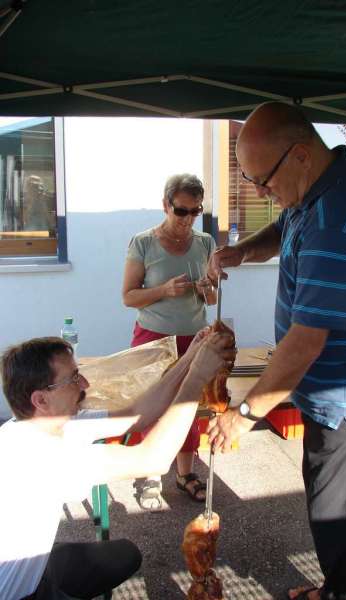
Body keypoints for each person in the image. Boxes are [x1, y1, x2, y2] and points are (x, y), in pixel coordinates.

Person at [207, 102, 346, 600]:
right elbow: (285, 228)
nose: (259, 191)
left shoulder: (337, 222)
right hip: (336, 397)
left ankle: (345, 591)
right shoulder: (321, 182)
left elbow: (304, 343)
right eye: (249, 179)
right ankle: (334, 587)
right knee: (331, 516)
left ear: (300, 154)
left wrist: (242, 414)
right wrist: (243, 250)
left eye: (263, 179)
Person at [0, 330, 234, 600]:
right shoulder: (41, 457)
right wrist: (197, 378)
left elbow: (136, 415)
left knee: (124, 555)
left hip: (36, 569)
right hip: (19, 595)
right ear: (40, 400)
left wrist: (190, 359)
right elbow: (153, 459)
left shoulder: (41, 423)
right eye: (73, 379)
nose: (85, 383)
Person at [122, 173, 217, 508]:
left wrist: (207, 289)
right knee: (153, 405)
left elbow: (213, 299)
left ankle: (185, 474)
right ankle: (149, 476)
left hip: (193, 336)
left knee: (188, 404)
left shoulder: (205, 242)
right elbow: (129, 297)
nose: (188, 220)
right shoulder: (143, 242)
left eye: (195, 212)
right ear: (165, 205)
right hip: (153, 338)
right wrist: (164, 290)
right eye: (181, 212)